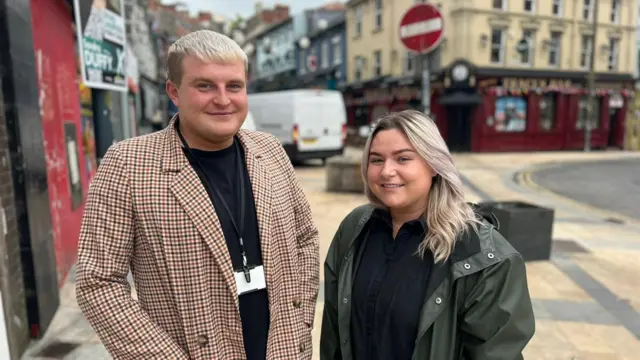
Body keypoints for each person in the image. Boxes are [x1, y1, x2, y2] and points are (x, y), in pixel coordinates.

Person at [76, 30, 320, 360]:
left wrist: (300, 319)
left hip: (283, 351)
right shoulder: (128, 165)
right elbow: (98, 282)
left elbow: (305, 237)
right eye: (205, 86)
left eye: (234, 86)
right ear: (174, 92)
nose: (223, 99)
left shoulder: (270, 151)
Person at [320, 110, 535, 360]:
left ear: (434, 164)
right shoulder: (355, 228)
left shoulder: (483, 256)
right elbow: (335, 332)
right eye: (376, 160)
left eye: (403, 159)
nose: (387, 171)